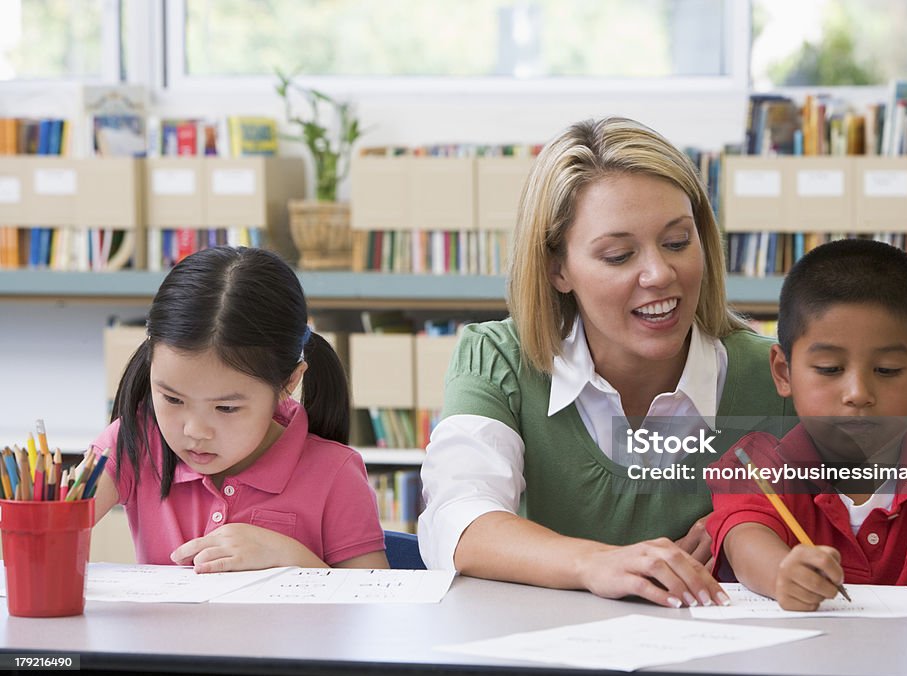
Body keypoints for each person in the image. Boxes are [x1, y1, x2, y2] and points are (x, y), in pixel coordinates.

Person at [418, 116, 794, 608]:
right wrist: (596, 563)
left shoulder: (777, 374)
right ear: (557, 269)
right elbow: (458, 518)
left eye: (678, 242)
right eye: (619, 255)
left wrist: (750, 519)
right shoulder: (498, 359)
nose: (660, 273)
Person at [707, 239, 907, 613]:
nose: (858, 394)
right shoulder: (756, 465)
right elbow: (745, 537)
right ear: (783, 372)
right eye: (829, 369)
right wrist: (781, 573)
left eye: (887, 370)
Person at [92, 246, 387, 572]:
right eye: (173, 399)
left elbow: (372, 608)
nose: (195, 431)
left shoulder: (335, 474)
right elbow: (55, 520)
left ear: (289, 381)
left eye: (226, 407)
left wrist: (291, 558)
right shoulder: (135, 441)